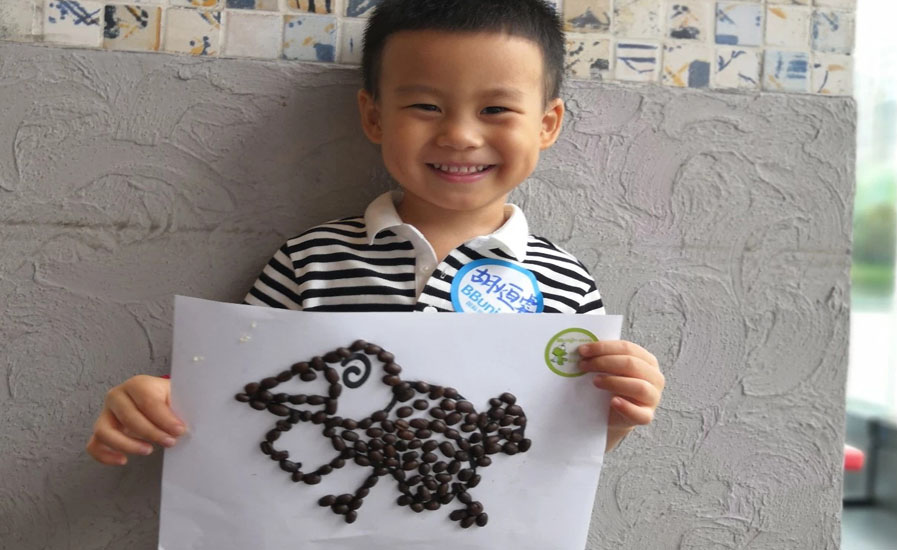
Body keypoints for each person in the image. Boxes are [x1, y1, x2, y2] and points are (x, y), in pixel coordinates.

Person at [86, 0, 665, 466]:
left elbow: (557, 457)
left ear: (546, 125)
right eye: (426, 105)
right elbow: (238, 388)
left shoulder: (566, 285)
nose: (461, 136)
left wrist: (615, 419)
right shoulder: (310, 261)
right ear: (374, 117)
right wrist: (159, 400)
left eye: (495, 110)